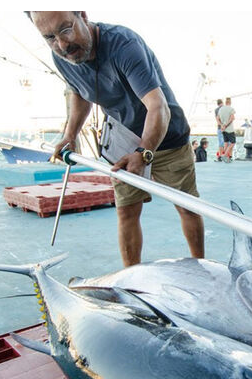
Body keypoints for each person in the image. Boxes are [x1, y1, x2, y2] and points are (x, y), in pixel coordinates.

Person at [26, 11, 205, 267]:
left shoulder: (124, 46)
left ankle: (202, 269)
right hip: (123, 138)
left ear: (83, 16)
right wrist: (71, 134)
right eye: (50, 38)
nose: (62, 45)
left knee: (187, 206)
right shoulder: (62, 56)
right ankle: (131, 280)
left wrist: (144, 153)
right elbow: (79, 90)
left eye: (66, 29)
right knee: (126, 211)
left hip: (167, 136)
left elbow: (158, 107)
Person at [217, 97, 236, 163]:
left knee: (226, 143)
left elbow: (217, 119)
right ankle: (224, 155)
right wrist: (226, 125)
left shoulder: (221, 109)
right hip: (230, 129)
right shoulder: (231, 109)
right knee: (233, 143)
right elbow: (232, 118)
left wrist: (221, 125)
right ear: (230, 102)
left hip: (223, 129)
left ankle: (223, 156)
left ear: (225, 102)